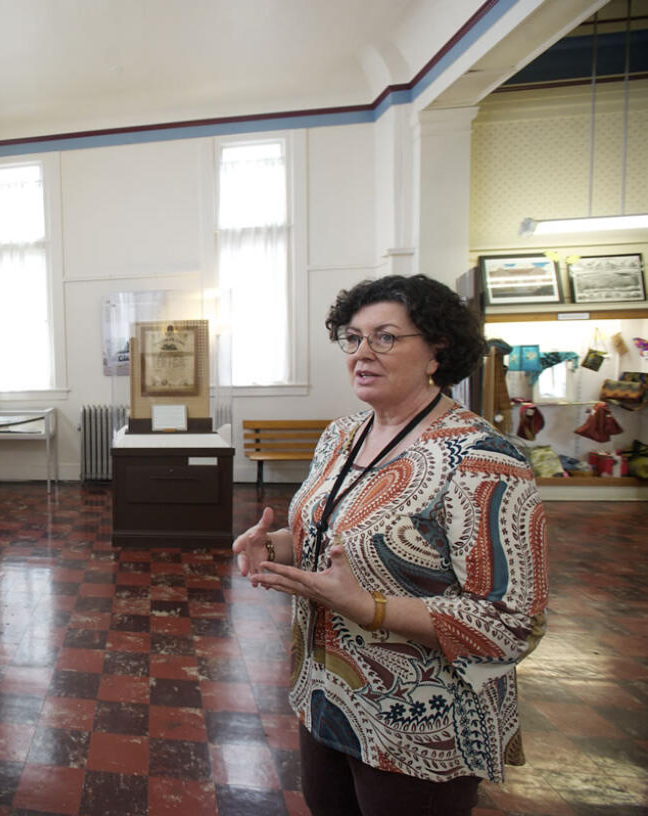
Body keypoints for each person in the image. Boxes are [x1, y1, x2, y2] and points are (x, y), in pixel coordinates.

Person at [233, 274, 548, 816]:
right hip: (325, 696)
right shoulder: (342, 434)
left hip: (422, 723)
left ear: (436, 352)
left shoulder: (483, 460)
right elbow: (335, 536)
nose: (362, 353)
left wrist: (368, 607)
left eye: (384, 337)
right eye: (352, 338)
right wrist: (279, 546)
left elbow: (512, 620)